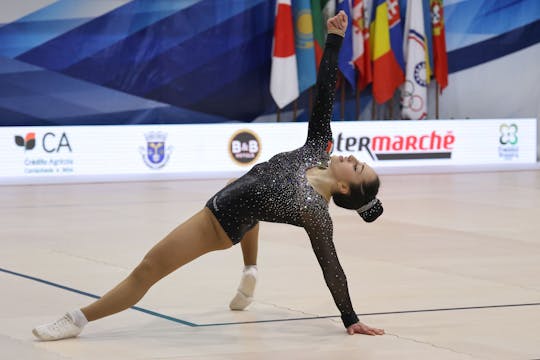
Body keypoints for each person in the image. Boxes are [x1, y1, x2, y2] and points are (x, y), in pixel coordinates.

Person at [32, 11, 385, 341]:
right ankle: (251, 271)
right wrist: (334, 39)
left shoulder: (314, 212)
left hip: (218, 223)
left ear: (343, 187)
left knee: (147, 269)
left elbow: (331, 266)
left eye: (356, 167)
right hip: (240, 199)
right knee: (246, 191)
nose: (352, 157)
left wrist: (350, 318)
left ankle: (77, 319)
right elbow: (324, 93)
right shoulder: (317, 149)